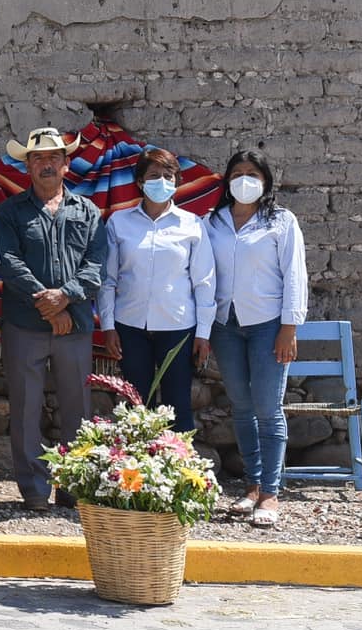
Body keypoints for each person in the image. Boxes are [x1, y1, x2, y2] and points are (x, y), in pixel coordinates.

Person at [0, 127, 110, 513]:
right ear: (27, 165)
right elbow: (8, 262)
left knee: (76, 406)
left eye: (54, 157)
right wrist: (45, 302)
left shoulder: (88, 212)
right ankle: (35, 490)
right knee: (25, 407)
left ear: (66, 163)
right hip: (26, 323)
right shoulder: (11, 212)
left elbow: (96, 265)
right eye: (38, 158)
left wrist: (65, 298)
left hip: (73, 325)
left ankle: (73, 486)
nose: (46, 164)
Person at [205, 149, 308, 530]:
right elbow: (203, 275)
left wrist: (289, 327)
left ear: (265, 181)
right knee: (241, 406)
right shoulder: (212, 222)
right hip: (225, 325)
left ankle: (270, 493)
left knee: (268, 408)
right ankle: (251, 485)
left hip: (268, 326)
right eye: (238, 172)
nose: (244, 179)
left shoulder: (280, 221)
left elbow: (295, 276)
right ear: (227, 180)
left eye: (253, 173)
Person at [95, 147, 215, 436]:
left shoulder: (191, 225)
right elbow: (108, 279)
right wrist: (108, 326)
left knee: (177, 406)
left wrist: (203, 334)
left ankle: (180, 474)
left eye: (168, 176)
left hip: (178, 327)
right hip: (130, 326)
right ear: (139, 182)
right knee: (137, 407)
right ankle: (137, 475)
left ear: (176, 182)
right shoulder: (119, 223)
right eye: (153, 175)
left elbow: (204, 282)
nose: (161, 181)